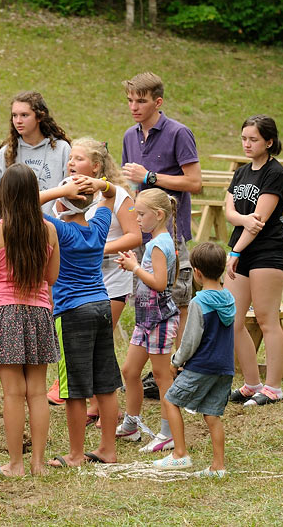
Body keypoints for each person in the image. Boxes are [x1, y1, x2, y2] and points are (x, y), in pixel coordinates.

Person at [49, 138, 142, 422]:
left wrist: (96, 248)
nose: (71, 163)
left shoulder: (118, 195)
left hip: (110, 280)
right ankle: (95, 404)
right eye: (70, 158)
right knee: (89, 348)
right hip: (77, 282)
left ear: (96, 166)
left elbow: (135, 236)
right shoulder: (69, 194)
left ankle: (100, 405)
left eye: (79, 158)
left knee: (99, 347)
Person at [0, 163, 60, 476]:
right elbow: (51, 277)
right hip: (39, 313)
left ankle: (15, 464)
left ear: (5, 194)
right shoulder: (49, 230)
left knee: (13, 393)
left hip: (6, 314)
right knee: (37, 392)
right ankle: (38, 463)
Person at [39, 175, 122, 468]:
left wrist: (61, 190)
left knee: (74, 388)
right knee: (105, 384)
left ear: (63, 203)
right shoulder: (99, 227)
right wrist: (100, 185)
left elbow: (25, 206)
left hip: (72, 312)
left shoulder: (59, 229)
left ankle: (75, 454)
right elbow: (112, 195)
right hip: (102, 306)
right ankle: (108, 449)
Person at [120, 72, 202, 342]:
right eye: (130, 100)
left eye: (141, 101)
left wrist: (150, 176)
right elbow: (131, 184)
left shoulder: (179, 133)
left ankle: (181, 362)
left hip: (170, 234)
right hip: (141, 233)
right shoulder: (129, 136)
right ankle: (157, 362)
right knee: (144, 300)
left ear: (158, 102)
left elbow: (194, 182)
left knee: (176, 302)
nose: (134, 107)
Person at [153, 242, 235, 477]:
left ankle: (180, 454)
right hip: (224, 368)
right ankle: (218, 467)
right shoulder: (229, 298)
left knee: (170, 400)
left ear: (197, 273)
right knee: (212, 415)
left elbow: (190, 341)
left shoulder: (199, 303)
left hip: (201, 366)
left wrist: (175, 361)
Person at [225, 115, 283, 406]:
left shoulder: (275, 173)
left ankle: (274, 388)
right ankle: (252, 383)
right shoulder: (241, 172)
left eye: (253, 139)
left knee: (266, 319)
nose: (247, 144)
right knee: (232, 319)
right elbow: (230, 212)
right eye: (244, 138)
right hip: (241, 250)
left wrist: (235, 252)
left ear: (269, 142)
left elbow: (259, 222)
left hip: (267, 252)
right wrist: (242, 221)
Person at [115, 188, 180, 453]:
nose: (137, 219)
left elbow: (160, 282)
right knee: (130, 371)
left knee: (162, 377)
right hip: (146, 320)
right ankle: (131, 424)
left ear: (159, 214)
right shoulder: (156, 242)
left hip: (160, 320)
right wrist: (135, 264)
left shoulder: (159, 245)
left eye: (141, 214)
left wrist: (135, 268)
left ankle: (168, 433)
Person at [0, 90, 71, 228]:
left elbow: (70, 193)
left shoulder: (61, 149)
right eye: (14, 115)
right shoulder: (7, 152)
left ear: (39, 116)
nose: (18, 121)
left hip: (52, 230)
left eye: (24, 115)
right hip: (16, 231)